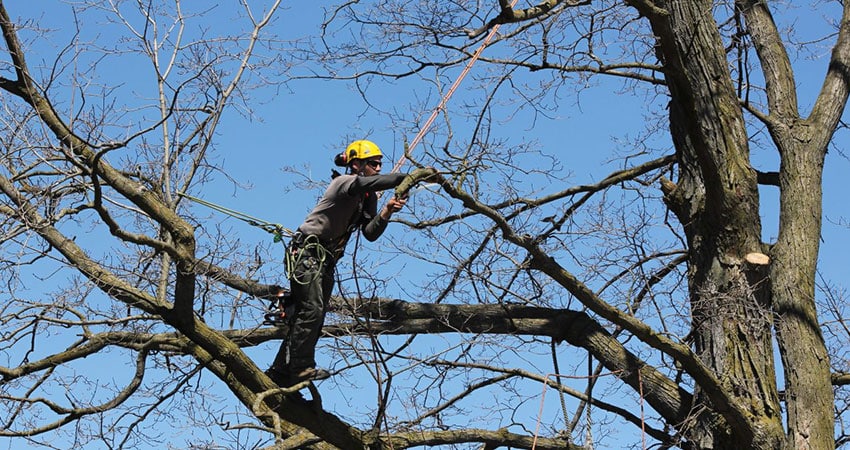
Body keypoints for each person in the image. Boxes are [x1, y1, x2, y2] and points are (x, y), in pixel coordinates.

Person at [267, 139, 409, 387]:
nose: (378, 168)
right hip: (308, 254)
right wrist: (406, 177)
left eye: (379, 164)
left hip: (326, 261)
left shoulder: (367, 198)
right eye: (373, 164)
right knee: (310, 311)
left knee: (313, 315)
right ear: (356, 164)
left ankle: (281, 373)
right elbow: (367, 183)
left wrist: (387, 211)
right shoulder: (343, 183)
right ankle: (300, 369)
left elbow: (370, 233)